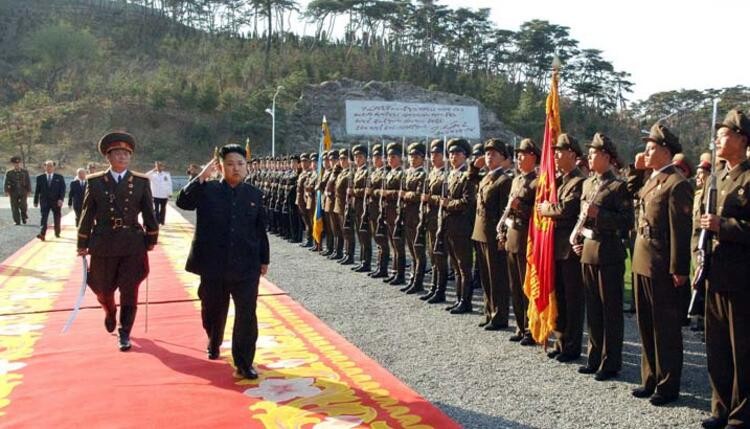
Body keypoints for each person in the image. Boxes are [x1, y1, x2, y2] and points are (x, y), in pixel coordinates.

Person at [176, 144, 270, 380]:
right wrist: (201, 177)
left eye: (240, 164)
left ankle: (244, 361)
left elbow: (260, 231)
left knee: (247, 315)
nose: (236, 168)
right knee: (212, 311)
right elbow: (183, 202)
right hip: (213, 265)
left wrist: (264, 259)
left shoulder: (254, 195)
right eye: (230, 164)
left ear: (247, 167)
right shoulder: (207, 190)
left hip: (246, 265)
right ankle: (214, 340)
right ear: (219, 167)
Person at [77, 131, 159, 351]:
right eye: (118, 153)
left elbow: (149, 213)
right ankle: (109, 309)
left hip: (132, 243)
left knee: (129, 289)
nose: (123, 157)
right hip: (103, 243)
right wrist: (82, 243)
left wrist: (152, 237)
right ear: (108, 157)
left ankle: (124, 332)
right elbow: (87, 213)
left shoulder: (140, 182)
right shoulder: (95, 182)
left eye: (126, 154)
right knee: (102, 289)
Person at [628, 123, 692, 406]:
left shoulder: (677, 183)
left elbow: (680, 229)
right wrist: (636, 169)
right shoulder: (652, 178)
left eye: (651, 147)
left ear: (665, 151)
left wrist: (679, 268)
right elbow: (632, 194)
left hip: (661, 261)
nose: (646, 151)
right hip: (642, 258)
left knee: (664, 327)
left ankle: (667, 385)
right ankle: (650, 377)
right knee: (645, 324)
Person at [698, 110, 750, 429]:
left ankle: (741, 415)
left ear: (743, 138)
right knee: (716, 345)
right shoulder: (717, 177)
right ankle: (720, 408)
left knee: (741, 347)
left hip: (741, 275)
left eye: (725, 133)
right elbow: (699, 223)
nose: (718, 138)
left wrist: (725, 226)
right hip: (714, 271)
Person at [574, 133, 632, 381]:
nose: (589, 156)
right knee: (594, 310)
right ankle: (594, 356)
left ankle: (611, 362)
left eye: (594, 153)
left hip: (609, 253)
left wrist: (600, 215)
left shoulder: (619, 186)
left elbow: (627, 221)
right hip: (588, 250)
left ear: (606, 156)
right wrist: (579, 239)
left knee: (610, 310)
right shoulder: (587, 184)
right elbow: (581, 218)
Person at [537, 134, 586, 361]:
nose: (555, 155)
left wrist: (546, 208)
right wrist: (551, 207)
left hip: (569, 249)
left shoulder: (579, 181)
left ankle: (573, 346)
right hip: (555, 247)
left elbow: (565, 211)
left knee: (573, 300)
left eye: (560, 151)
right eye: (554, 151)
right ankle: (561, 340)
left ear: (572, 155)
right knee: (560, 298)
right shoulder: (560, 180)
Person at [472, 138, 511, 330]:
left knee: (497, 278)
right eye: (487, 153)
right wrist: (474, 167)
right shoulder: (486, 177)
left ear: (503, 158)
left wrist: (502, 236)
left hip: (492, 234)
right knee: (486, 277)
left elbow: (505, 211)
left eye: (494, 153)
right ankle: (489, 312)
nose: (489, 156)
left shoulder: (504, 180)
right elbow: (470, 182)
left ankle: (499, 315)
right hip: (480, 232)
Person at [502, 138, 539, 345]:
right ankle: (519, 325)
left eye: (522, 154)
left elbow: (537, 215)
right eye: (517, 155)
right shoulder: (516, 180)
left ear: (533, 157)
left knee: (527, 288)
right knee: (514, 286)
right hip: (512, 236)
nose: (518, 158)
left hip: (526, 238)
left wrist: (520, 207)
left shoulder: (537, 182)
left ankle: (530, 329)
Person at [442, 138, 476, 314]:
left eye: (457, 153)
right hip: (450, 225)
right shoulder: (451, 174)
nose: (453, 156)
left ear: (465, 156)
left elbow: (468, 202)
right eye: (451, 153)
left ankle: (466, 301)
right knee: (455, 266)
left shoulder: (467, 176)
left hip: (462, 226)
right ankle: (458, 298)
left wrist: (449, 204)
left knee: (464, 267)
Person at [421, 139, 448, 303]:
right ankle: (433, 287)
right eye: (431, 154)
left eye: (437, 154)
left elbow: (446, 198)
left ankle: (440, 289)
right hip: (430, 218)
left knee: (440, 256)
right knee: (433, 255)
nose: (433, 157)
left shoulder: (445, 174)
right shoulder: (432, 172)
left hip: (441, 220)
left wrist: (430, 198)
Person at [401, 141, 427, 293]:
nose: (412, 159)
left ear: (422, 158)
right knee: (411, 249)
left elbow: (417, 195)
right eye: (411, 156)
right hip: (406, 214)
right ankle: (412, 278)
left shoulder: (422, 174)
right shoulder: (408, 173)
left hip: (416, 216)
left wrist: (406, 195)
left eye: (416, 156)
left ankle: (418, 281)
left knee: (418, 251)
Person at [34, 160, 66, 241]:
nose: (49, 167)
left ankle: (57, 231)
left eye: (51, 166)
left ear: (54, 167)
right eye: (47, 166)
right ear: (44, 167)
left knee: (57, 217)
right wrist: (35, 201)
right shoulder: (40, 177)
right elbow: (37, 190)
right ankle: (42, 233)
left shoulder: (59, 177)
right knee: (43, 217)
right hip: (44, 201)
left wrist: (61, 199)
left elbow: (63, 189)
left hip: (56, 201)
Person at [4, 156, 31, 225]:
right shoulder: (9, 173)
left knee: (23, 205)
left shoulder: (25, 172)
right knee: (14, 206)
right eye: (15, 164)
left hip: (23, 191)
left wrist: (29, 190)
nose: (17, 165)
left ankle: (24, 215)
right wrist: (6, 191)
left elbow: (28, 181)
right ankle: (17, 221)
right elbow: (6, 182)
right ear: (13, 164)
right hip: (13, 191)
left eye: (18, 163)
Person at [147, 161, 173, 225]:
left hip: (164, 195)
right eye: (157, 166)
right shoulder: (153, 175)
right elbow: (146, 175)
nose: (159, 167)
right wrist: (153, 170)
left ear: (163, 167)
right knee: (156, 209)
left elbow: (169, 184)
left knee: (163, 209)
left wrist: (170, 193)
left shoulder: (166, 174)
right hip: (155, 195)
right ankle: (157, 221)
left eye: (160, 166)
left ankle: (162, 221)